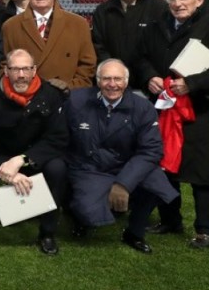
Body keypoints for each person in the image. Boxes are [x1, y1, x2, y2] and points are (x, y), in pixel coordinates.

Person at [135, 0, 209, 248]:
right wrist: (149, 77)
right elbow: (142, 58)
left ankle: (207, 229)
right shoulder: (156, 25)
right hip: (166, 109)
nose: (178, 3)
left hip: (204, 112)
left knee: (204, 171)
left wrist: (191, 84)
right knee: (165, 166)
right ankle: (170, 219)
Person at [0, 49, 70, 255]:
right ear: (6, 71)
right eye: (15, 69)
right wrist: (4, 169)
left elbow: (58, 139)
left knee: (58, 168)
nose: (21, 75)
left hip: (34, 156)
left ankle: (47, 233)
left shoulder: (50, 95)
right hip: (0, 158)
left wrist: (23, 160)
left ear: (34, 70)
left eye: (26, 69)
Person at [65, 59, 178, 254]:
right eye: (106, 79)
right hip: (90, 168)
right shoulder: (76, 101)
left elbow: (152, 150)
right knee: (87, 210)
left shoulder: (143, 107)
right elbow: (60, 138)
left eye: (118, 79)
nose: (112, 84)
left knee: (158, 183)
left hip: (126, 164)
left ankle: (134, 232)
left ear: (126, 82)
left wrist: (124, 184)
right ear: (97, 81)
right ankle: (79, 217)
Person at [1, 0, 96, 91]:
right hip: (25, 96)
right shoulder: (10, 26)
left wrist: (70, 86)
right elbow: (3, 65)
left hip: (67, 96)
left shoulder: (79, 24)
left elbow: (88, 65)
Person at [91, 0, 167, 69]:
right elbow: (98, 46)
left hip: (150, 75)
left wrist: (149, 74)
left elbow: (163, 46)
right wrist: (111, 68)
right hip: (113, 74)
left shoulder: (160, 8)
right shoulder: (102, 11)